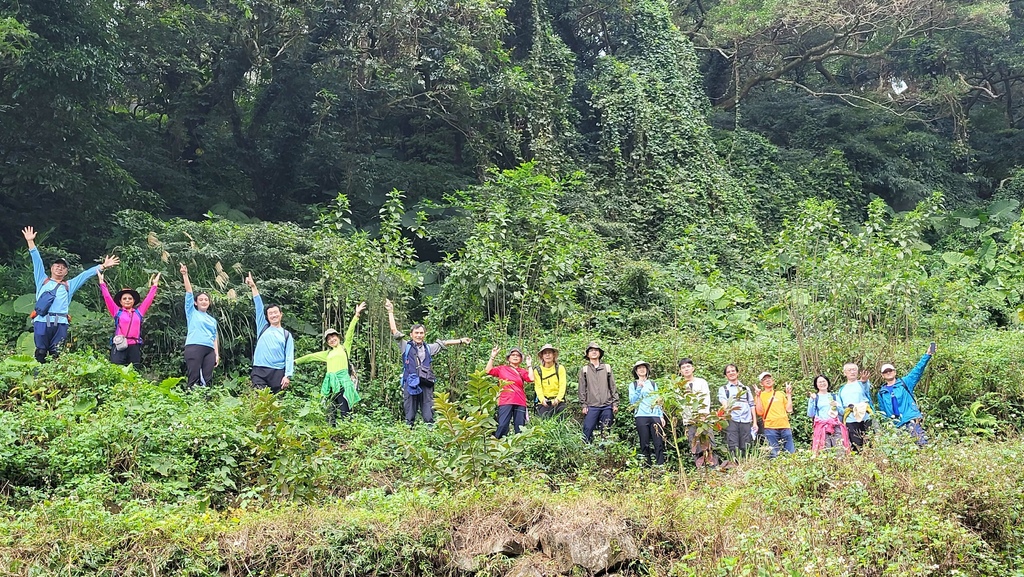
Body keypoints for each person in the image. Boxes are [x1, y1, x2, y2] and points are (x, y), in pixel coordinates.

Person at [22, 226, 119, 363]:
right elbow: (36, 261)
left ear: (66, 272)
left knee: (56, 352)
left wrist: (102, 266)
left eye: (63, 267)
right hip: (42, 321)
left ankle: (54, 379)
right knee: (41, 351)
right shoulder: (42, 280)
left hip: (61, 322)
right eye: (57, 266)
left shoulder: (69, 285)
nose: (59, 268)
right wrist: (31, 242)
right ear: (51, 268)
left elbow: (85, 275)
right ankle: (38, 378)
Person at [385, 298, 472, 427]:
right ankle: (409, 432)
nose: (419, 335)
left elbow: (443, 343)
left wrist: (460, 340)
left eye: (421, 333)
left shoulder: (428, 348)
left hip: (426, 382)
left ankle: (429, 434)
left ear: (424, 334)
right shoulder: (405, 346)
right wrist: (390, 311)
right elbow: (394, 331)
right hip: (410, 382)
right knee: (410, 411)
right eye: (416, 333)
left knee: (428, 411)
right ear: (411, 334)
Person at [296, 302, 366, 425]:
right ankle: (331, 433)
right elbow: (311, 357)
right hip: (331, 384)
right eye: (329, 339)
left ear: (338, 337)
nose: (332, 339)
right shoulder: (327, 354)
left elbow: (350, 333)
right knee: (330, 410)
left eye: (333, 337)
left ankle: (347, 433)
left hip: (343, 382)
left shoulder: (345, 348)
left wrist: (356, 315)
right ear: (327, 343)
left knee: (345, 409)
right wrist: (295, 361)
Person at [98, 270, 160, 369]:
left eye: (130, 298)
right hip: (120, 345)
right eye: (124, 298)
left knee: (134, 371)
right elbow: (107, 297)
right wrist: (102, 283)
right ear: (120, 301)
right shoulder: (117, 312)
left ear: (134, 301)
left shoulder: (138, 312)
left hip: (134, 346)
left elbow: (149, 299)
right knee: (117, 371)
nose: (127, 300)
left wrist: (155, 285)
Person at [877, 343, 936, 446]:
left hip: (910, 419)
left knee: (921, 444)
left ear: (895, 372)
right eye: (885, 372)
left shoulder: (905, 382)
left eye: (890, 370)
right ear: (882, 375)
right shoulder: (881, 393)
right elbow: (882, 412)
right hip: (895, 425)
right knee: (901, 450)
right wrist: (886, 427)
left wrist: (928, 355)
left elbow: (918, 370)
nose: (888, 373)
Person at [245, 273, 294, 394]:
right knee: (260, 400)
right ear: (267, 316)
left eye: (276, 312)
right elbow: (258, 305)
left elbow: (289, 356)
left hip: (277, 372)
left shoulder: (286, 335)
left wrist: (287, 375)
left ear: (281, 314)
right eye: (270, 313)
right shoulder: (263, 326)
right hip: (259, 370)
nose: (273, 315)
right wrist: (253, 286)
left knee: (275, 404)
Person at [180, 263, 219, 388]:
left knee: (207, 379)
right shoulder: (192, 312)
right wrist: (185, 275)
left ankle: (205, 403)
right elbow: (189, 292)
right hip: (194, 347)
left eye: (206, 300)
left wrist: (216, 354)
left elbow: (214, 337)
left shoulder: (212, 320)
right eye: (201, 299)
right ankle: (191, 402)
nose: (204, 301)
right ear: (196, 303)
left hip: (209, 350)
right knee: (194, 376)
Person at [486, 346, 533, 438]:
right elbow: (488, 371)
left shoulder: (522, 371)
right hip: (505, 401)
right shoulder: (502, 369)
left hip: (520, 401)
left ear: (521, 359)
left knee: (520, 428)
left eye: (518, 355)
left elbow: (531, 378)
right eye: (513, 355)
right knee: (502, 425)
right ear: (509, 358)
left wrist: (529, 365)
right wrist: (492, 356)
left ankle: (519, 449)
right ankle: (498, 446)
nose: (515, 357)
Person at [678, 358, 718, 467]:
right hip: (690, 421)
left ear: (693, 368)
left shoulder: (701, 382)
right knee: (695, 447)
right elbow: (680, 404)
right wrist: (686, 419)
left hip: (703, 420)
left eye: (688, 366)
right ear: (680, 371)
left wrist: (703, 415)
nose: (686, 369)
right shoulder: (679, 386)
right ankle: (700, 471)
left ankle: (714, 469)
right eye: (683, 368)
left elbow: (706, 399)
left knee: (709, 445)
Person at [578, 342, 618, 443]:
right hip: (592, 406)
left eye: (596, 350)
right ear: (587, 355)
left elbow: (612, 386)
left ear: (600, 353)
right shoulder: (585, 370)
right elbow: (582, 388)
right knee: (587, 429)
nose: (594, 352)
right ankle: (587, 452)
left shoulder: (607, 368)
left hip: (607, 405)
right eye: (591, 350)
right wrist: (583, 405)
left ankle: (604, 454)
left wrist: (615, 403)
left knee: (605, 431)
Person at [628, 361, 665, 466]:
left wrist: (661, 415)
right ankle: (647, 465)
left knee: (658, 441)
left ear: (647, 370)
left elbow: (658, 400)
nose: (641, 369)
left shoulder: (653, 384)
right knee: (644, 442)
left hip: (654, 415)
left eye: (643, 367)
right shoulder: (633, 385)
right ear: (636, 371)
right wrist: (639, 388)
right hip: (640, 416)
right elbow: (632, 401)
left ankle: (660, 464)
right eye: (639, 368)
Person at [717, 364, 756, 462]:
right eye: (728, 372)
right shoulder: (724, 389)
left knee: (746, 444)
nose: (731, 373)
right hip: (732, 419)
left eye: (733, 371)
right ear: (726, 376)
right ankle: (734, 465)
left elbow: (752, 405)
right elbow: (724, 403)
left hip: (746, 419)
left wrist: (754, 422)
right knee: (733, 444)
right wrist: (727, 411)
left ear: (737, 373)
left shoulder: (745, 389)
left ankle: (745, 464)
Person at [753, 372, 794, 458]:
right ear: (761, 383)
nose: (767, 380)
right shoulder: (760, 396)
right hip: (770, 428)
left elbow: (789, 409)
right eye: (764, 379)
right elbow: (760, 412)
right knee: (774, 454)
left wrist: (789, 394)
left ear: (773, 380)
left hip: (785, 426)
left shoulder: (780, 394)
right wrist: (758, 396)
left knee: (790, 453)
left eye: (769, 378)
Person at [807, 375, 851, 454]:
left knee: (839, 450)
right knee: (825, 451)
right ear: (816, 385)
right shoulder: (815, 397)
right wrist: (812, 400)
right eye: (819, 382)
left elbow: (842, 412)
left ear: (828, 383)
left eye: (824, 381)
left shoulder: (834, 396)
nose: (822, 383)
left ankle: (841, 465)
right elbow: (810, 414)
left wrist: (836, 405)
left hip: (836, 426)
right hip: (822, 428)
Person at [836, 362, 874, 451]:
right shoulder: (841, 389)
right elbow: (841, 407)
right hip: (850, 419)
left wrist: (864, 381)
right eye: (849, 370)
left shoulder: (863, 383)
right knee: (855, 444)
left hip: (865, 417)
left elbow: (867, 389)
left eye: (854, 370)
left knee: (869, 442)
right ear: (844, 373)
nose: (852, 372)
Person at [533, 344, 567, 418]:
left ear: (554, 355)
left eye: (549, 353)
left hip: (559, 402)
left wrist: (558, 399)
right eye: (545, 353)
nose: (547, 355)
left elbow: (562, 385)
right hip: (544, 402)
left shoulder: (560, 368)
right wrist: (542, 399)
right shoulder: (538, 370)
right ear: (542, 356)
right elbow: (538, 387)